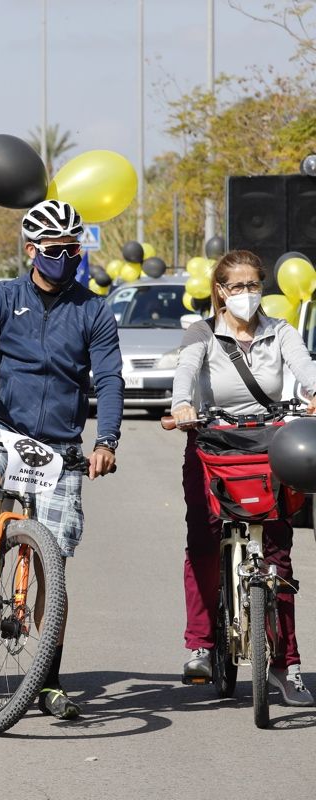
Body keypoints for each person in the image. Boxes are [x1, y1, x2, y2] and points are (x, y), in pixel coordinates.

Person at [0, 199, 121, 719]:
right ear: (32, 250)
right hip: (3, 430)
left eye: (73, 250)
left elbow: (108, 378)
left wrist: (107, 441)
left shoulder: (94, 310)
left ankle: (49, 679)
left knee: (48, 561)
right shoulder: (5, 296)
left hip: (59, 446)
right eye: (56, 250)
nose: (67, 258)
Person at [170, 250, 316, 705]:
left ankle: (286, 665)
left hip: (269, 445)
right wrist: (181, 406)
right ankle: (201, 643)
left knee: (278, 550)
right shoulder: (201, 333)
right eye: (236, 287)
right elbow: (186, 372)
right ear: (219, 290)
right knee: (204, 538)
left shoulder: (281, 332)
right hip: (212, 444)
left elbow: (305, 369)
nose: (246, 294)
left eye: (253, 285)